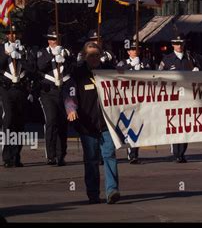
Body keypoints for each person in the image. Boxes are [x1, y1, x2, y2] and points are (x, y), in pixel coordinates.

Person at [64, 42, 120, 204]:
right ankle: (93, 193)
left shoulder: (109, 71)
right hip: (87, 124)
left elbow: (126, 84)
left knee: (109, 155)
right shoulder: (77, 73)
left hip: (107, 122)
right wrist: (71, 109)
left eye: (97, 54)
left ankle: (112, 190)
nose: (94, 58)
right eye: (90, 55)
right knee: (91, 159)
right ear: (84, 56)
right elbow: (69, 93)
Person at [158, 33, 199, 163]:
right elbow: (159, 77)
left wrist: (198, 72)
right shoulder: (167, 60)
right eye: (176, 44)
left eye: (181, 43)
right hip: (173, 97)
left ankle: (182, 152)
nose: (179, 46)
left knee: (186, 125)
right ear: (172, 45)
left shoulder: (190, 58)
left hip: (188, 97)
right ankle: (176, 153)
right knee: (175, 125)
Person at [37, 26, 74, 166]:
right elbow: (40, 67)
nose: (54, 41)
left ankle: (61, 155)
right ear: (48, 40)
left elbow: (74, 67)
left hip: (64, 91)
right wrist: (53, 56)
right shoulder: (42, 53)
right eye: (52, 39)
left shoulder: (66, 52)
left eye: (56, 38)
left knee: (63, 124)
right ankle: (51, 155)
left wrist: (66, 57)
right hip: (48, 92)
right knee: (51, 121)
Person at [0, 26, 35, 168]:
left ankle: (16, 156)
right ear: (7, 35)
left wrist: (20, 56)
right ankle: (7, 156)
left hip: (21, 89)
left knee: (20, 123)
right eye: (10, 33)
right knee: (8, 120)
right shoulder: (1, 49)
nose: (13, 36)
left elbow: (33, 69)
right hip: (6, 89)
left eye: (16, 33)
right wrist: (7, 54)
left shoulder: (25, 50)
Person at [116, 41, 151, 164]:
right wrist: (130, 67)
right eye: (132, 49)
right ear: (128, 51)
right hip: (128, 98)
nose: (134, 51)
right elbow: (117, 73)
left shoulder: (145, 62)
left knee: (139, 126)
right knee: (130, 126)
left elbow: (152, 75)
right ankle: (131, 153)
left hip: (142, 98)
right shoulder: (123, 63)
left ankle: (135, 153)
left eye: (136, 49)